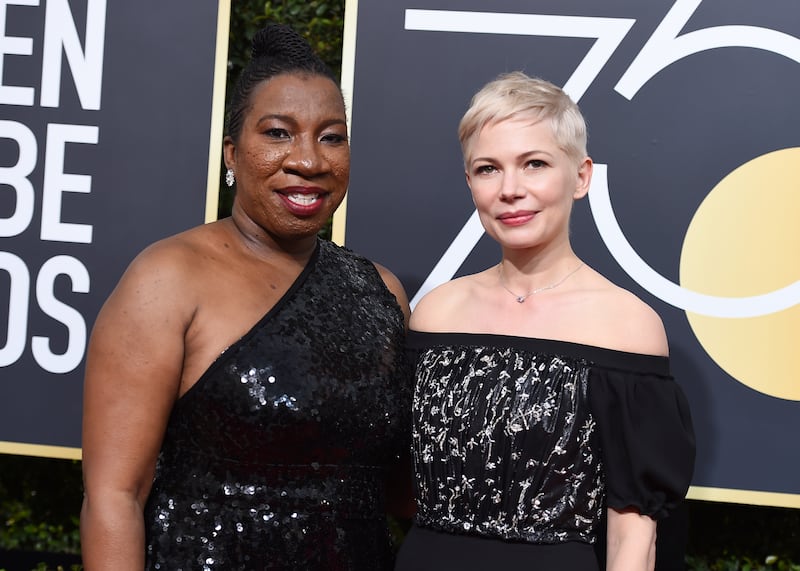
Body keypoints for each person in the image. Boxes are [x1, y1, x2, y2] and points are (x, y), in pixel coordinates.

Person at [80, 23, 413, 570]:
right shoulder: (167, 277)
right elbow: (115, 499)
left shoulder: (382, 292)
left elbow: (400, 492)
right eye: (279, 133)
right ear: (232, 154)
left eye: (332, 136)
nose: (309, 160)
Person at [395, 72, 695, 571]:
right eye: (488, 169)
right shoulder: (435, 312)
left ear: (580, 176)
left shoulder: (627, 326)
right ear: (470, 183)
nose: (510, 190)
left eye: (533, 164)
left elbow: (633, 538)